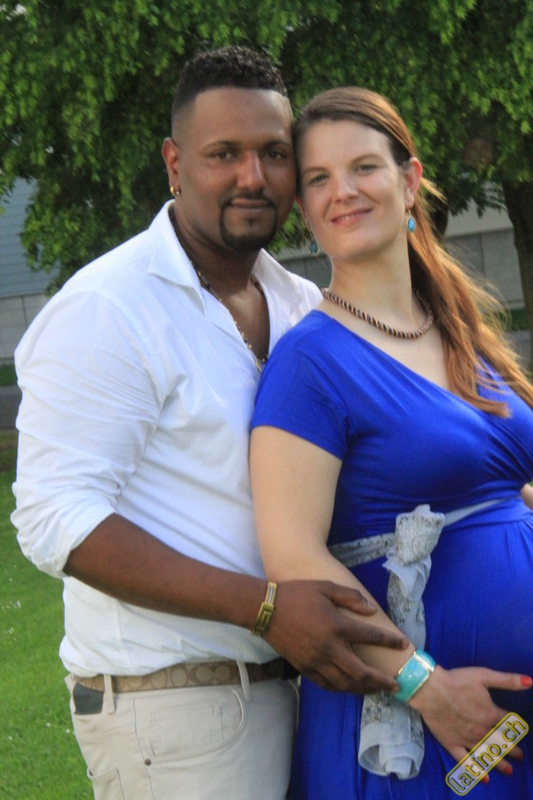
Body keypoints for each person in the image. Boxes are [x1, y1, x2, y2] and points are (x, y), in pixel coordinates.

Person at [11, 50, 410, 800]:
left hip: (308, 694)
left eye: (273, 154)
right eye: (223, 154)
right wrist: (264, 609)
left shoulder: (300, 305)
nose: (252, 177)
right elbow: (54, 518)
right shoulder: (110, 307)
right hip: (177, 709)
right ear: (175, 164)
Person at [250, 86, 533, 799]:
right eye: (318, 178)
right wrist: (426, 687)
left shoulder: (460, 330)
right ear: (305, 210)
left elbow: (503, 488)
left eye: (363, 167)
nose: (342, 191)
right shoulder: (308, 364)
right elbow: (292, 557)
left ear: (409, 183)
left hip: (510, 719)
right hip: (429, 728)